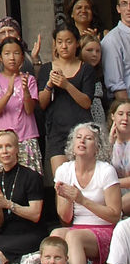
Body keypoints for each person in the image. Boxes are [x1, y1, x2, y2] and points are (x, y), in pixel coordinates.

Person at [53, 121, 121, 264]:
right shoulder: (64, 170)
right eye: (78, 137)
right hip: (77, 228)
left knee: (73, 237)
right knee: (55, 236)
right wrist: (69, 199)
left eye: (88, 138)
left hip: (104, 230)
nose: (82, 141)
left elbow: (115, 216)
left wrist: (82, 200)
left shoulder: (106, 171)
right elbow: (65, 217)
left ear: (97, 147)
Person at [37, 20, 95, 174]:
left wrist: (67, 85)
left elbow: (86, 102)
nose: (64, 46)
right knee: (61, 182)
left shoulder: (86, 69)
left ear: (76, 43)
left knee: (82, 179)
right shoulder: (46, 69)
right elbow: (41, 104)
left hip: (81, 130)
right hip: (56, 132)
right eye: (60, 42)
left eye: (69, 41)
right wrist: (50, 84)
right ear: (55, 44)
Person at [0, 129, 44, 264]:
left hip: (31, 233)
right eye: (0, 147)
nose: (4, 151)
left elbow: (35, 214)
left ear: (17, 149)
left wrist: (7, 204)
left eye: (9, 146)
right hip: (7, 234)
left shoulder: (31, 177)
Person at [0, 37, 41, 173]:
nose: (12, 58)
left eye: (16, 53)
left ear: (22, 57)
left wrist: (26, 91)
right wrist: (8, 93)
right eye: (7, 53)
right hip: (4, 141)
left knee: (30, 179)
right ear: (0, 57)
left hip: (26, 137)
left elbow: (29, 110)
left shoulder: (29, 79)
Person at [100, 0, 130, 106]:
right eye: (124, 4)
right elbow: (117, 87)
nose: (129, 8)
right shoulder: (112, 40)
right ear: (118, 8)